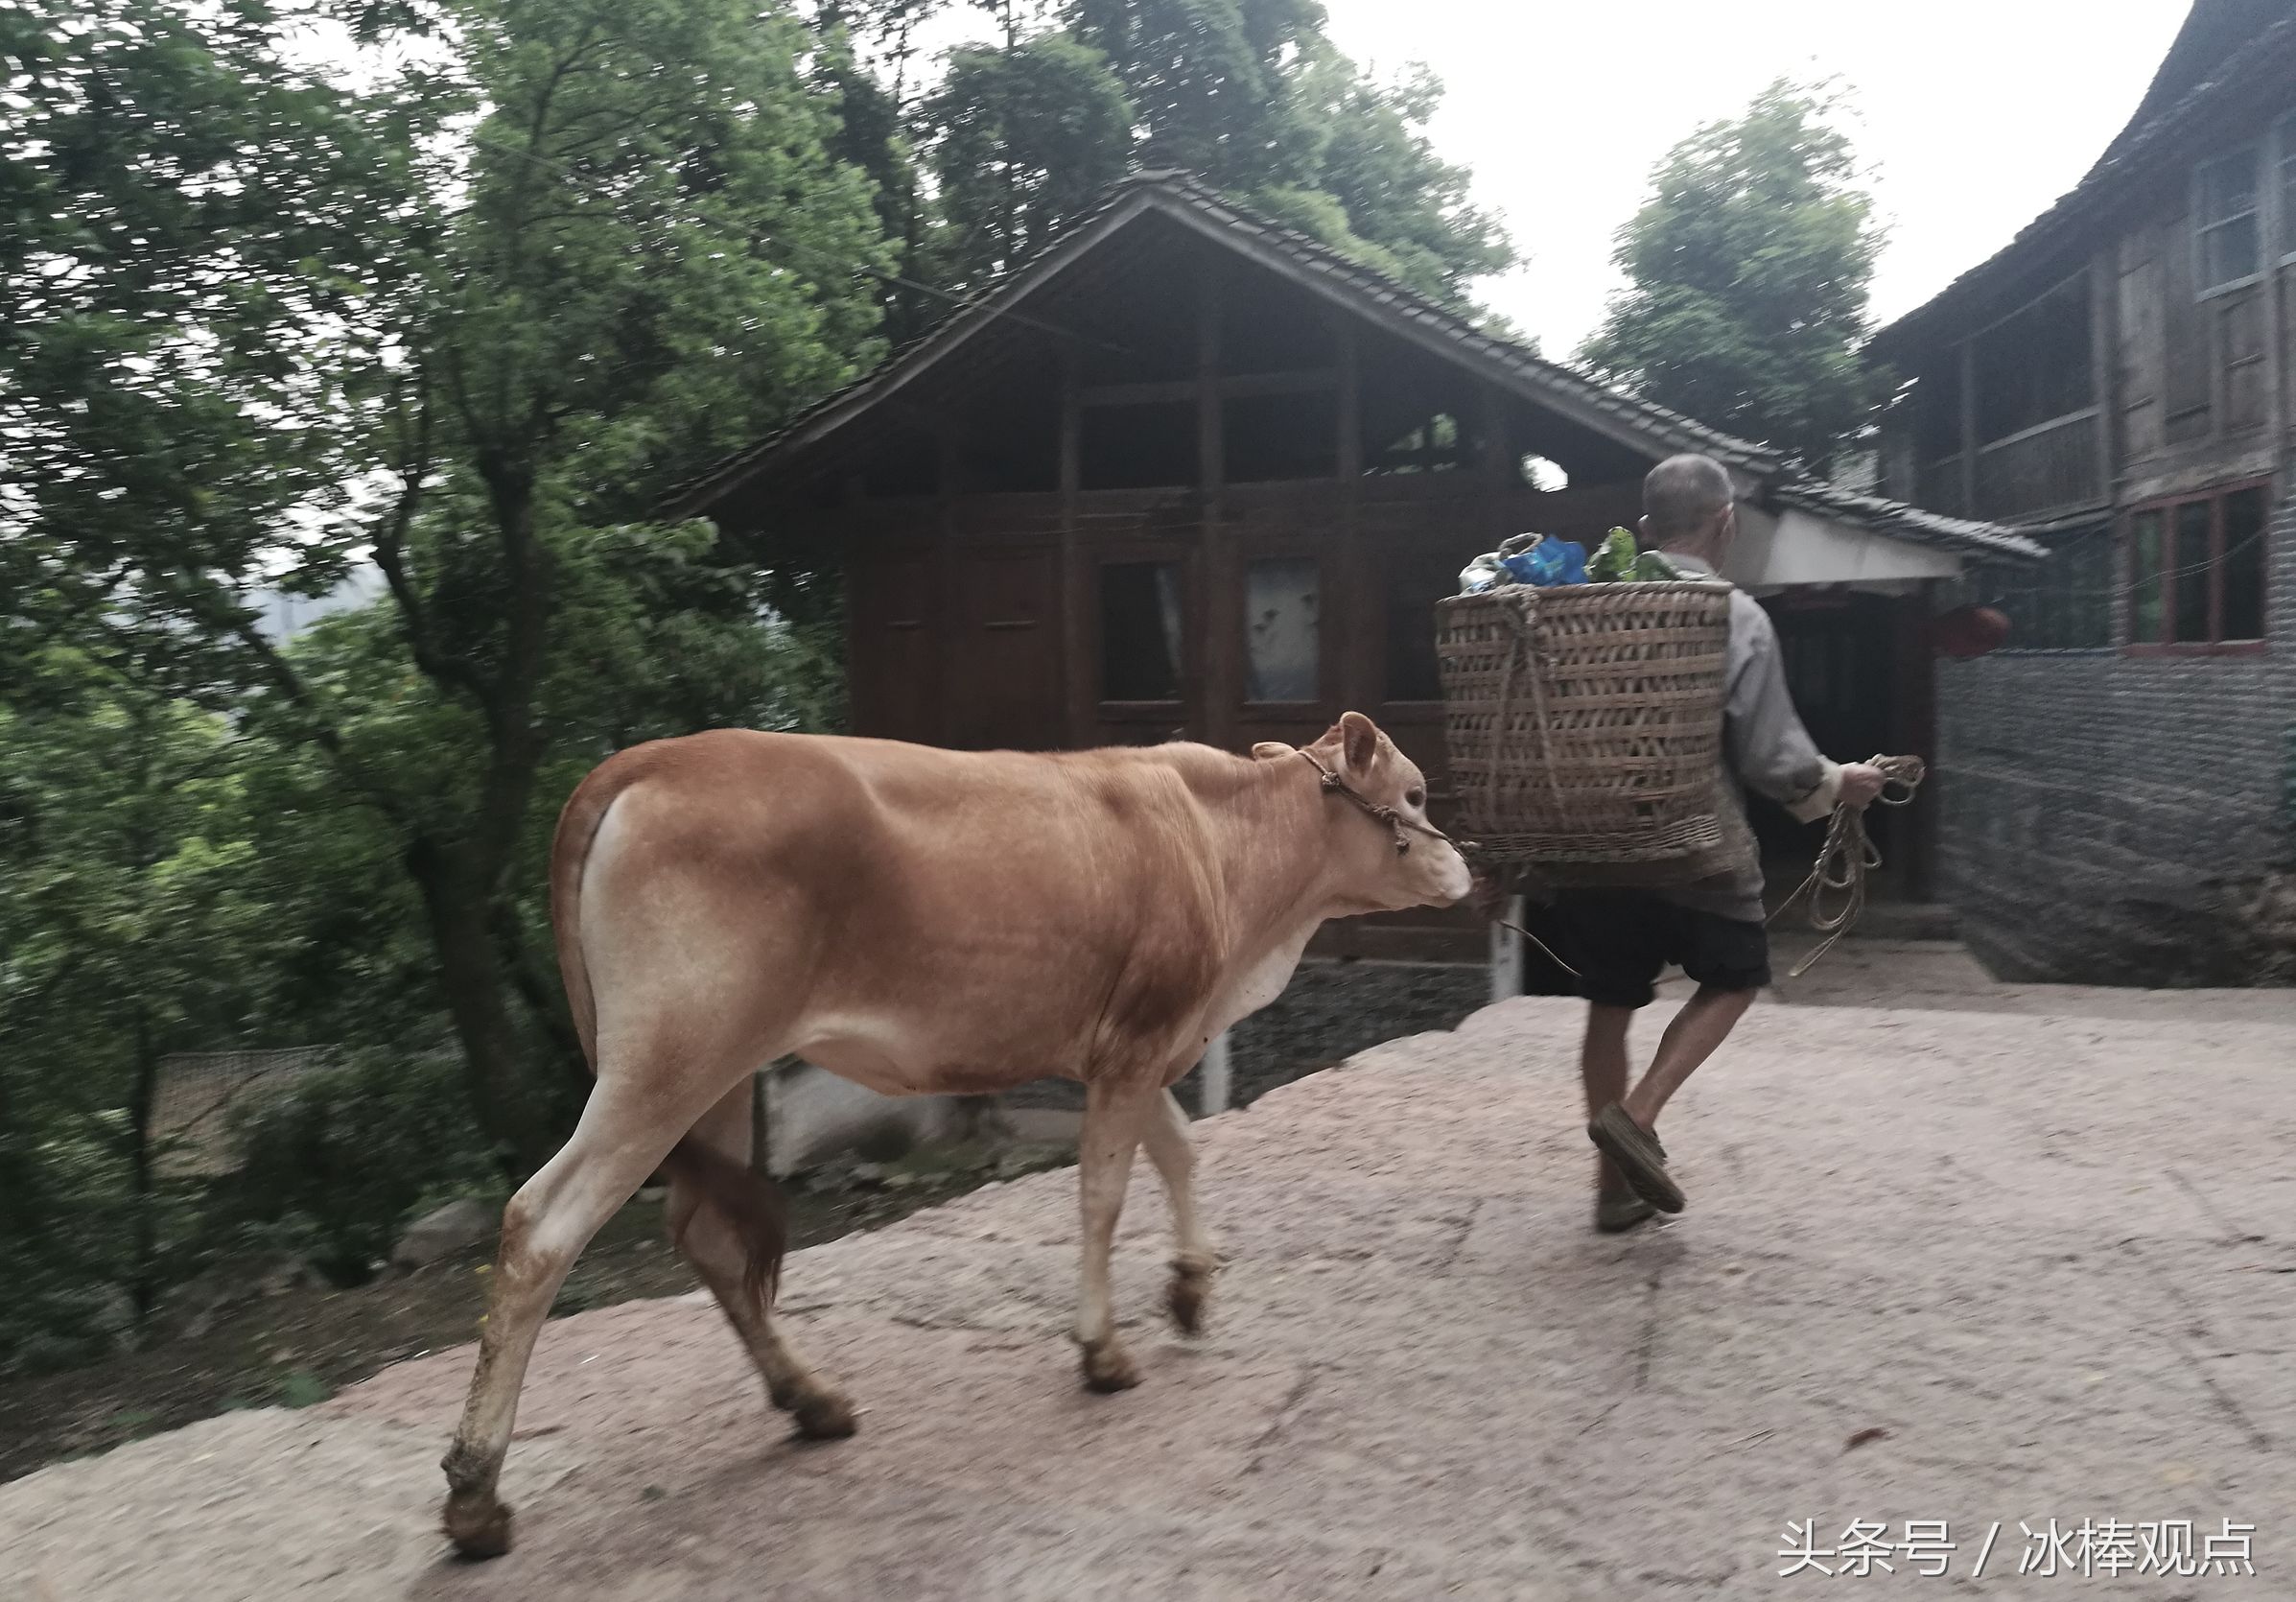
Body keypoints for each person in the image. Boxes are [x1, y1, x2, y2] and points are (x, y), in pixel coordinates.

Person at [1498, 454, 1886, 1233]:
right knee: (1736, 976)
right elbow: (1772, 760)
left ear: (1644, 530)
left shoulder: (1580, 610)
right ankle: (1637, 1117)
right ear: (1726, 523)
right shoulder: (1733, 614)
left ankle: (1612, 1191)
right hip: (1693, 843)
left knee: (1610, 1004)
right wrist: (1841, 782)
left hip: (1593, 847)